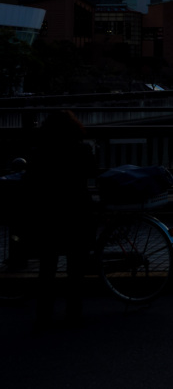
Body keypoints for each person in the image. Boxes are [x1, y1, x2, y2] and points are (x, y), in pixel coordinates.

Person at [24, 111, 96, 327]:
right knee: (75, 267)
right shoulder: (82, 149)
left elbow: (30, 182)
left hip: (49, 214)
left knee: (47, 267)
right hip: (76, 211)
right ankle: (74, 312)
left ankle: (44, 312)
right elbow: (91, 172)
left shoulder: (39, 153)